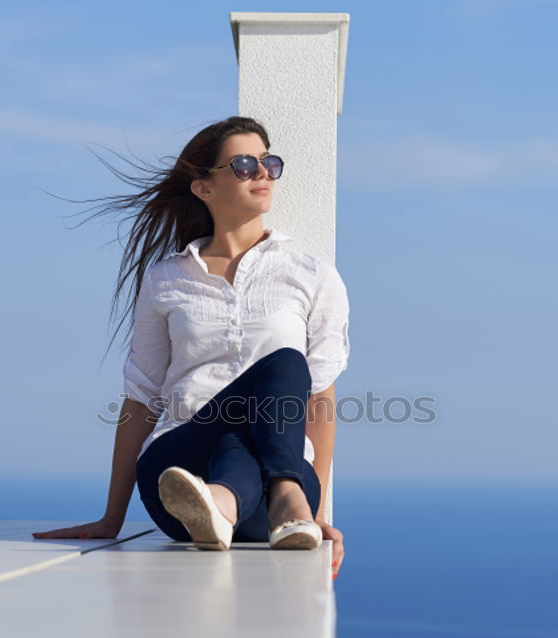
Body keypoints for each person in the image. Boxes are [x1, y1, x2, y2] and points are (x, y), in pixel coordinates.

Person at [32, 116, 349, 578]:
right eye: (243, 164)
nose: (261, 173)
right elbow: (141, 397)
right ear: (204, 187)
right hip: (178, 479)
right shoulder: (166, 279)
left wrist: (317, 518)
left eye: (268, 162)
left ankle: (250, 499)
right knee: (235, 418)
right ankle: (234, 501)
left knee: (285, 366)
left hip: (272, 496)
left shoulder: (311, 275)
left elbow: (321, 399)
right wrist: (111, 519)